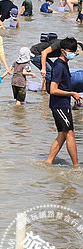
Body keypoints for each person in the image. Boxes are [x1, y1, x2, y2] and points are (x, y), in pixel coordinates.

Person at [45, 37, 80, 166]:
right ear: (62, 51)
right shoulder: (59, 66)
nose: (72, 54)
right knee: (69, 132)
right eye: (70, 51)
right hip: (59, 105)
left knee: (62, 134)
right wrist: (71, 93)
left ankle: (48, 162)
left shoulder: (64, 64)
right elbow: (53, 90)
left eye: (73, 51)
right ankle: (76, 166)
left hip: (63, 104)